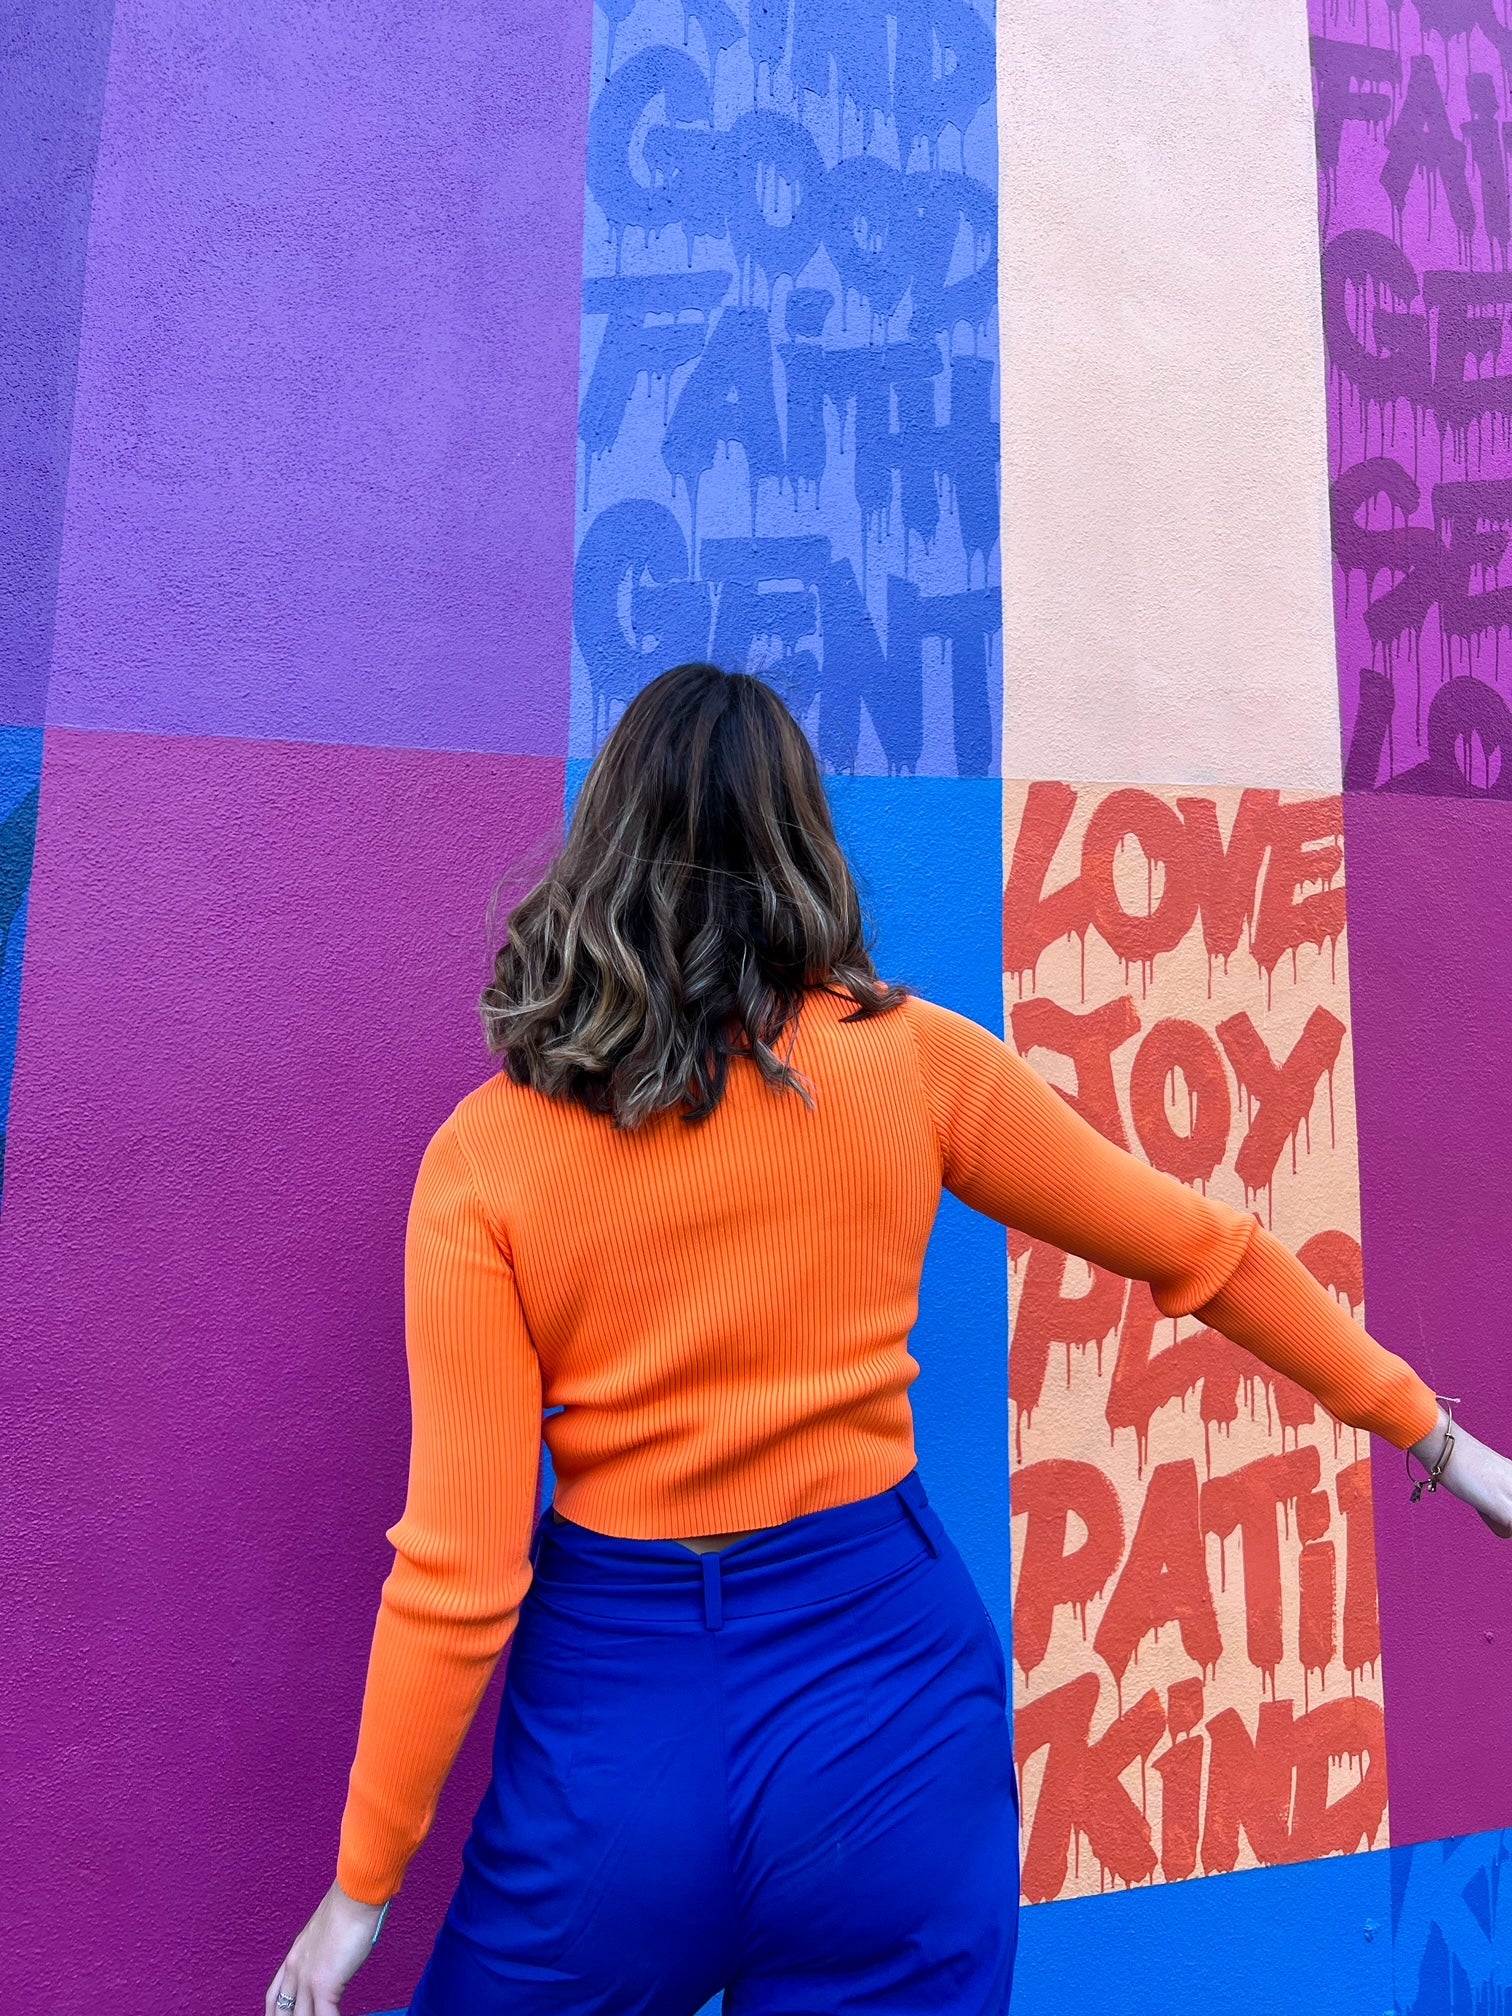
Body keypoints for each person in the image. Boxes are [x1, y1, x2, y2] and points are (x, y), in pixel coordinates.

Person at [266, 662, 1512, 2016]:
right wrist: (1443, 1445)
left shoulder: (482, 1162)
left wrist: (361, 1892)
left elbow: (459, 1575)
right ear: (801, 839)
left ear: (602, 853)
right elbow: (1208, 1252)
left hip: (614, 1765)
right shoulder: (910, 1064)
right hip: (891, 1723)